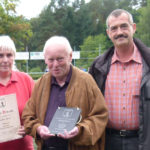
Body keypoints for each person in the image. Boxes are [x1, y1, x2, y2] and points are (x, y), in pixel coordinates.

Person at [22, 35, 108, 150]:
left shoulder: (86, 81)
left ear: (70, 56)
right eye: (51, 60)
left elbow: (100, 115)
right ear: (45, 59)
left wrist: (79, 130)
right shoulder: (41, 84)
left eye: (60, 59)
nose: (55, 65)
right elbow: (28, 116)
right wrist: (38, 128)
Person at [89, 9, 150, 150]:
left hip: (142, 141)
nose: (119, 32)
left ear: (133, 27)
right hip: (108, 141)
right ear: (108, 33)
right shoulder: (98, 67)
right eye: (114, 28)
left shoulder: (148, 62)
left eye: (124, 26)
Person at [0, 35, 34, 150]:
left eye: (9, 55)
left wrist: (29, 127)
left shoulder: (26, 80)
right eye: (0, 55)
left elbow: (39, 112)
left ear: (14, 56)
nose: (5, 60)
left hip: (23, 147)